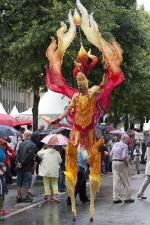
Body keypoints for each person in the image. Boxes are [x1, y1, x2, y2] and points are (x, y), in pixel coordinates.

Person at [110, 134, 134, 203]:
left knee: (116, 181)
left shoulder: (115, 144)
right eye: (127, 140)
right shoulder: (124, 145)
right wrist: (127, 165)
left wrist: (113, 162)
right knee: (126, 180)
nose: (128, 141)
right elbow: (124, 157)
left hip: (114, 162)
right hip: (121, 163)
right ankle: (127, 197)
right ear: (124, 139)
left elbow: (110, 155)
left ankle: (116, 198)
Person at [16, 131, 38, 203]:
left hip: (20, 166)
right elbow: (28, 156)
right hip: (27, 166)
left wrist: (19, 162)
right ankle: (24, 197)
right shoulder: (33, 145)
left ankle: (18, 197)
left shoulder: (22, 143)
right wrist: (22, 163)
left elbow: (18, 153)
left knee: (19, 182)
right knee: (26, 182)